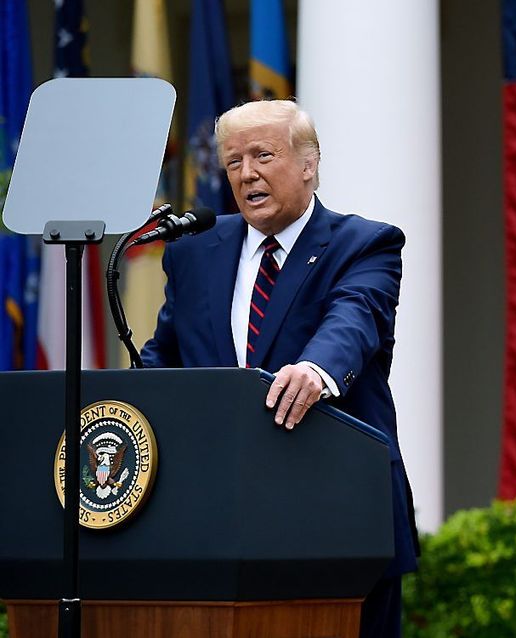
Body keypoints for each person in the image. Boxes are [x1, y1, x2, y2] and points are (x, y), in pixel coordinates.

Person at [140, 99, 418, 638]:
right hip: (216, 526)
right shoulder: (194, 252)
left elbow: (354, 318)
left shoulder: (364, 244)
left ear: (309, 164)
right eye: (234, 162)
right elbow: (165, 359)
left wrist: (315, 370)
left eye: (263, 156)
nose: (247, 175)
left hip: (337, 518)